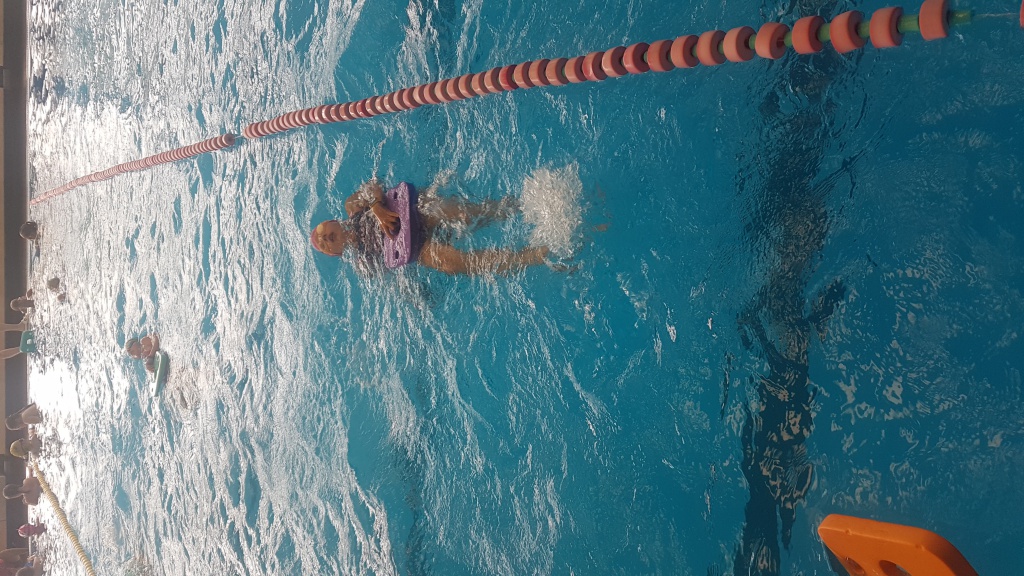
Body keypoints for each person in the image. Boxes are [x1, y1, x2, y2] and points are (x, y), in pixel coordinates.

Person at [311, 179, 551, 275]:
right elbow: (391, 275)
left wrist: (376, 208)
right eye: (324, 245)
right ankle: (533, 256)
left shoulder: (351, 207)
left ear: (333, 222)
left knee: (461, 214)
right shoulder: (363, 263)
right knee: (451, 263)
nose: (324, 239)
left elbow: (372, 186)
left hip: (414, 213)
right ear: (337, 253)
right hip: (415, 247)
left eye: (323, 233)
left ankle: (523, 206)